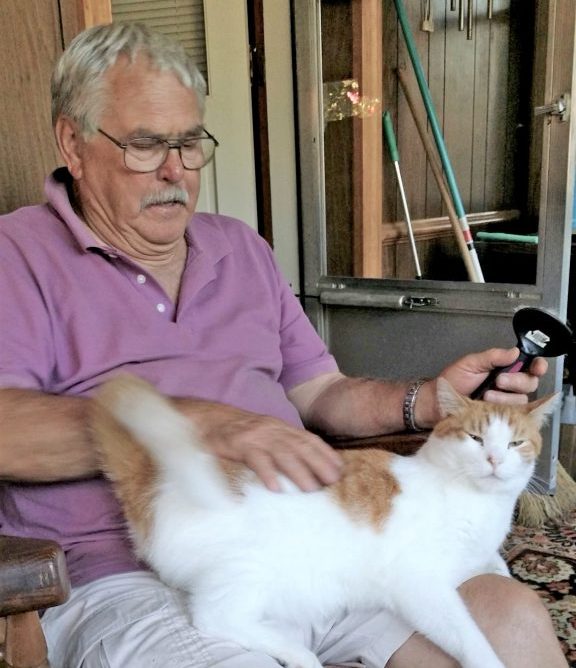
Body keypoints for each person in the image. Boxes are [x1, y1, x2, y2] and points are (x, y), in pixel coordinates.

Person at [0, 22, 567, 668]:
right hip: (126, 577)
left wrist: (431, 402)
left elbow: (321, 392)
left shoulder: (241, 248)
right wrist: (205, 427)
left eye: (189, 142)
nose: (175, 169)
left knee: (512, 623)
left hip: (315, 547)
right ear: (72, 143)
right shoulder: (16, 256)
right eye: (145, 144)